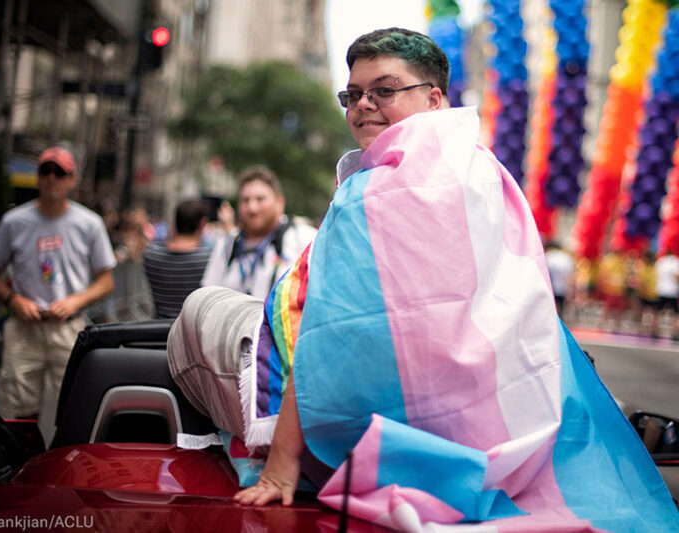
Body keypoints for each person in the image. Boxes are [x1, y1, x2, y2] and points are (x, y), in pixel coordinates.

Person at [168, 28, 678, 530]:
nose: (362, 105)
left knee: (200, 310)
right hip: (500, 435)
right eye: (353, 94)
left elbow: (322, 335)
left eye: (384, 91)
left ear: (434, 99)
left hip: (355, 440)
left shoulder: (372, 193)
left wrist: (281, 463)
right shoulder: (488, 174)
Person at [0, 146, 116, 421]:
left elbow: (106, 281)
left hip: (68, 330)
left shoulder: (89, 223)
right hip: (24, 329)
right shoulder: (14, 221)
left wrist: (74, 301)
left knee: (72, 412)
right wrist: (14, 300)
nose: (52, 178)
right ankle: (24, 463)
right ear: (38, 177)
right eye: (46, 171)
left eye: (60, 172)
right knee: (19, 413)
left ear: (71, 179)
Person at [201, 166, 317, 299]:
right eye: (245, 200)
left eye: (260, 199)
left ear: (279, 202)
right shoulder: (226, 245)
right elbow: (207, 296)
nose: (252, 208)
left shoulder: (304, 239)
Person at [143, 199, 211, 318]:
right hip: (193, 332)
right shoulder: (209, 259)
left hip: (157, 331)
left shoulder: (151, 255)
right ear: (202, 224)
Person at [544, 241, 574, 319]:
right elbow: (570, 274)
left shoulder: (548, 256)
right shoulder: (566, 257)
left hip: (550, 286)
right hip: (562, 287)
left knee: (551, 306)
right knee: (561, 307)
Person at [653, 251, 679, 339]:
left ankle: (654, 331)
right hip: (672, 291)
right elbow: (676, 276)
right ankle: (675, 333)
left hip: (661, 290)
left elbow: (655, 274)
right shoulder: (675, 261)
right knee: (675, 313)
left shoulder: (660, 261)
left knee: (658, 311)